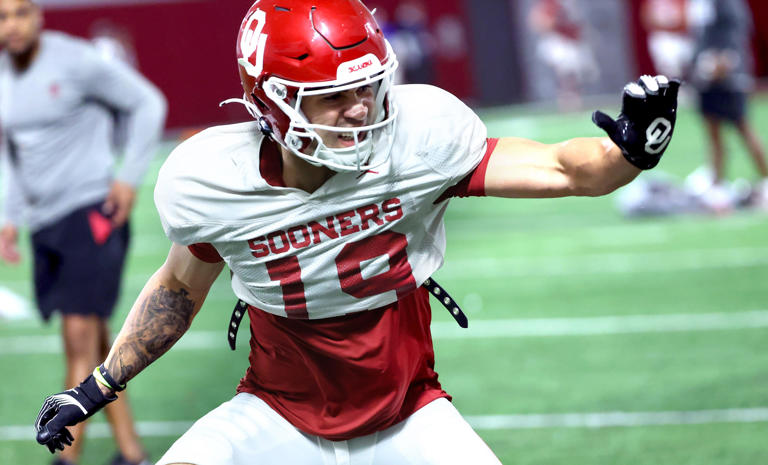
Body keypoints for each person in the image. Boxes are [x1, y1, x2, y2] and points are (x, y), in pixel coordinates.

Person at [32, 0, 678, 464]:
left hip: (410, 414)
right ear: (269, 100)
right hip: (275, 413)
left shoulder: (417, 137)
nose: (361, 109)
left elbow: (566, 171)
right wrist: (96, 387)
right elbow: (178, 287)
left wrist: (628, 153)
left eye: (367, 87)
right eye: (332, 96)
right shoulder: (213, 179)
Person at [0, 1, 166, 464]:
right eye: (0, 16)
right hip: (45, 224)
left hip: (90, 215)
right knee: (92, 342)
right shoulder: (2, 77)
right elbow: (11, 152)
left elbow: (148, 103)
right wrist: (8, 217)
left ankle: (64, 458)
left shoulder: (75, 60)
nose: (10, 25)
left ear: (38, 16)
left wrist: (128, 178)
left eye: (19, 13)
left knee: (78, 337)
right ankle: (131, 455)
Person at [688, 0, 768, 211]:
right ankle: (717, 184)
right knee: (712, 132)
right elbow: (702, 33)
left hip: (728, 74)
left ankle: (765, 179)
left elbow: (737, 27)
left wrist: (726, 60)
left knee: (743, 127)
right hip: (706, 74)